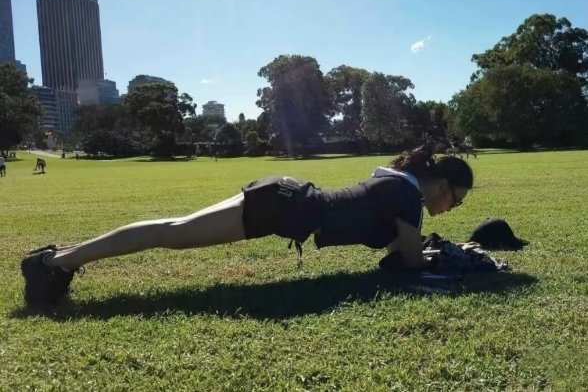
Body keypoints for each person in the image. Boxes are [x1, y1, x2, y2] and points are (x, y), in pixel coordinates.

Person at [21, 147, 473, 307]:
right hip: (280, 207)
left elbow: (396, 254)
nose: (453, 207)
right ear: (444, 184)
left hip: (283, 195)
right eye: (457, 198)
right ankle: (57, 262)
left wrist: (418, 251)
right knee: (171, 233)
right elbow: (407, 263)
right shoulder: (407, 195)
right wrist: (448, 262)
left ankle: (58, 258)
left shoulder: (397, 184)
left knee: (173, 229)